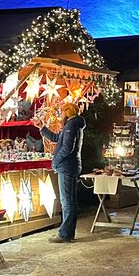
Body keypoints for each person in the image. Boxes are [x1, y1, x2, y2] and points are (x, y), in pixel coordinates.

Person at [34, 102, 85, 244]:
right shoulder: (72, 124)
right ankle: (68, 232)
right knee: (70, 201)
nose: (60, 114)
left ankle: (65, 234)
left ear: (67, 112)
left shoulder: (71, 125)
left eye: (62, 111)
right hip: (72, 165)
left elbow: (67, 147)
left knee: (67, 201)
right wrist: (42, 128)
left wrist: (56, 161)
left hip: (67, 166)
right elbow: (58, 139)